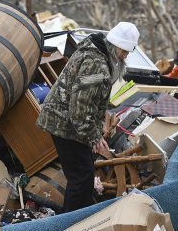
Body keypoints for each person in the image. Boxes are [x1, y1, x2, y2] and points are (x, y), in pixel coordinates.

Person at [36, 22, 140, 213]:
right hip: (64, 122)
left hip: (67, 121)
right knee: (82, 178)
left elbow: (89, 103)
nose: (126, 55)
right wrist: (93, 137)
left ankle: (80, 217)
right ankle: (69, 222)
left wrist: (96, 130)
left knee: (83, 175)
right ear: (115, 45)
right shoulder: (97, 65)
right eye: (124, 50)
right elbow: (79, 109)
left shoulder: (98, 51)